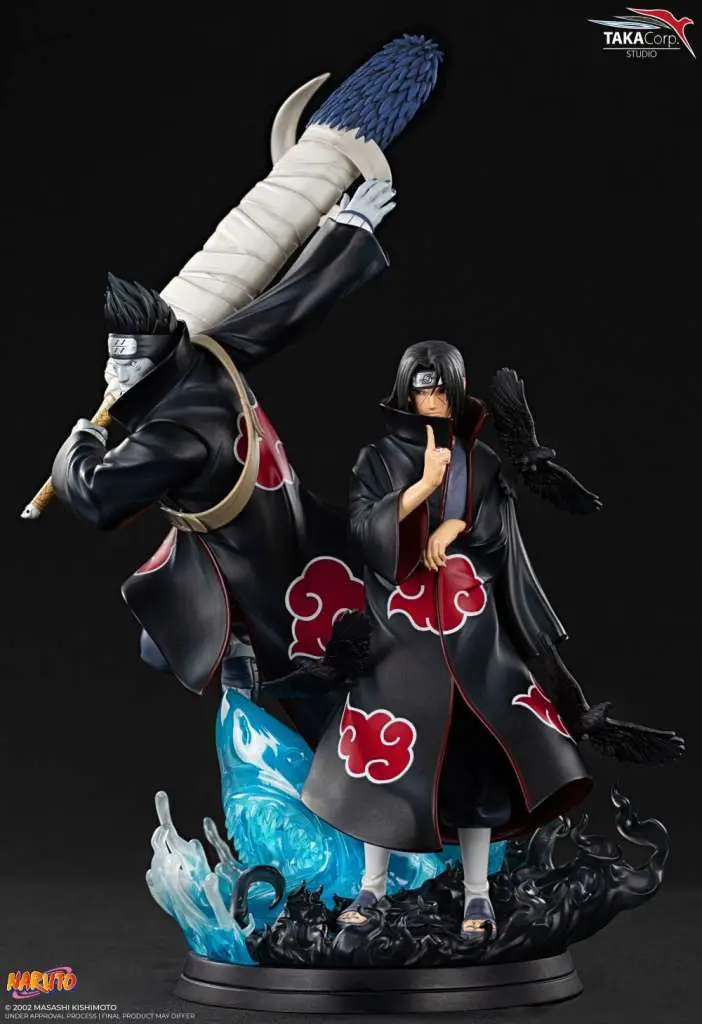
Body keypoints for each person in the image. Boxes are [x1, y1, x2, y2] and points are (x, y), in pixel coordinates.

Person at [51, 180, 395, 743]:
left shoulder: (173, 434)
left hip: (250, 569)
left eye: (124, 367)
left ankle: (247, 662)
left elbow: (96, 497)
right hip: (271, 540)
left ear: (149, 364)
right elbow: (290, 307)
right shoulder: (211, 356)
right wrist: (346, 233)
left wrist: (78, 445)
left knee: (322, 697)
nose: (113, 376)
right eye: (112, 363)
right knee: (165, 639)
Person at [300, 340, 595, 938]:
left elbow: (499, 542)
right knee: (381, 770)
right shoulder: (378, 458)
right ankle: (373, 888)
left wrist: (456, 523)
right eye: (422, 389)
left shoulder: (480, 462)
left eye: (441, 389)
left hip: (470, 638)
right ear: (405, 392)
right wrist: (418, 490)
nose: (432, 400)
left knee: (477, 767)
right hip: (399, 640)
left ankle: (478, 895)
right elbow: (363, 535)